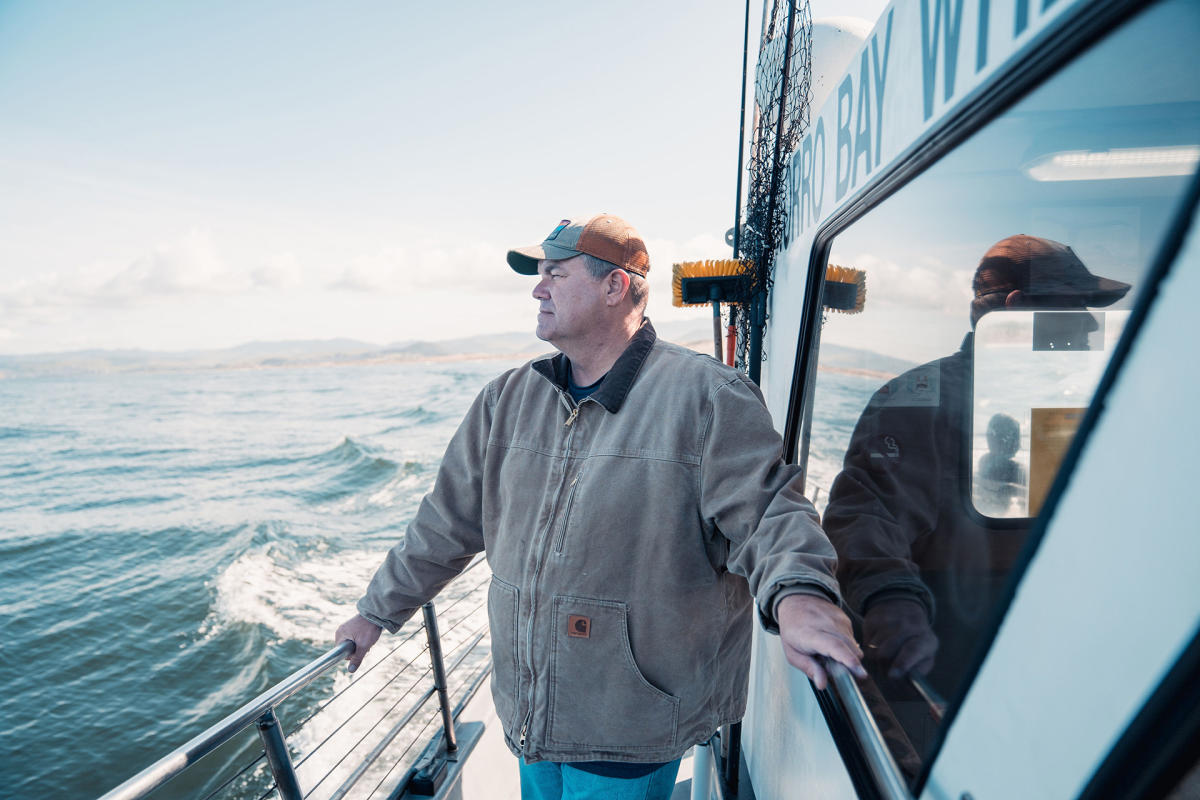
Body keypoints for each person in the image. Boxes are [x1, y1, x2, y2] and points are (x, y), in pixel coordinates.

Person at [334, 213, 865, 800]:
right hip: (530, 714)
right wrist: (375, 612)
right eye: (539, 275)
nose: (538, 289)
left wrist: (801, 594)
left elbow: (769, 513)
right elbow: (444, 524)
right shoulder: (506, 400)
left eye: (555, 275)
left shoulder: (707, 397)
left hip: (627, 723)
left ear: (615, 287)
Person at [821, 234, 1130, 759]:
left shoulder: (1084, 405)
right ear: (1017, 310)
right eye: (1073, 309)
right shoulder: (919, 401)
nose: (1086, 326)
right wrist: (892, 600)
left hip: (1063, 655)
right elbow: (868, 513)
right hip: (951, 658)